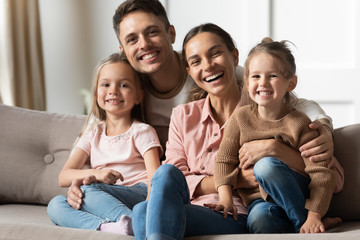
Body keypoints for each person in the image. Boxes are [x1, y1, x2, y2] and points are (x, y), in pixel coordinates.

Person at [66, 0, 341, 217]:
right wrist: (85, 184)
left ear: (170, 32)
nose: (144, 44)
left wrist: (323, 129)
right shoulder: (127, 89)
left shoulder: (216, 74)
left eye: (152, 32)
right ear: (123, 49)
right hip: (177, 186)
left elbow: (288, 100)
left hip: (228, 192)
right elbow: (101, 137)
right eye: (132, 39)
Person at [130, 23, 344, 239]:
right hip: (197, 208)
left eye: (215, 53)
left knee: (145, 214)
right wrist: (237, 179)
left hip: (238, 211)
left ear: (234, 56)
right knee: (149, 198)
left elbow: (331, 175)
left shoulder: (266, 108)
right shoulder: (182, 115)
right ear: (190, 72)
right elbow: (178, 181)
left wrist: (287, 144)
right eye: (196, 61)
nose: (208, 66)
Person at [213, 38, 337, 234]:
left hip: (298, 195)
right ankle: (304, 225)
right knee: (259, 221)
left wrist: (314, 214)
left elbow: (321, 174)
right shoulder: (240, 118)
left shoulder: (299, 123)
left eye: (272, 76)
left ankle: (303, 223)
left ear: (291, 83)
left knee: (265, 166)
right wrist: (225, 197)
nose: (263, 83)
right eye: (255, 76)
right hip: (259, 200)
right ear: (246, 82)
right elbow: (224, 161)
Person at [47, 53, 162, 235]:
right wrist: (98, 174)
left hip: (137, 192)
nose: (113, 90)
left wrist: (151, 207)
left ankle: (139, 222)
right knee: (55, 205)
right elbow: (64, 176)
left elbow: (157, 177)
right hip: (102, 193)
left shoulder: (142, 131)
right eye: (106, 84)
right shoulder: (93, 132)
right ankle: (110, 227)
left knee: (88, 191)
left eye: (124, 85)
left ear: (139, 96)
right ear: (96, 93)